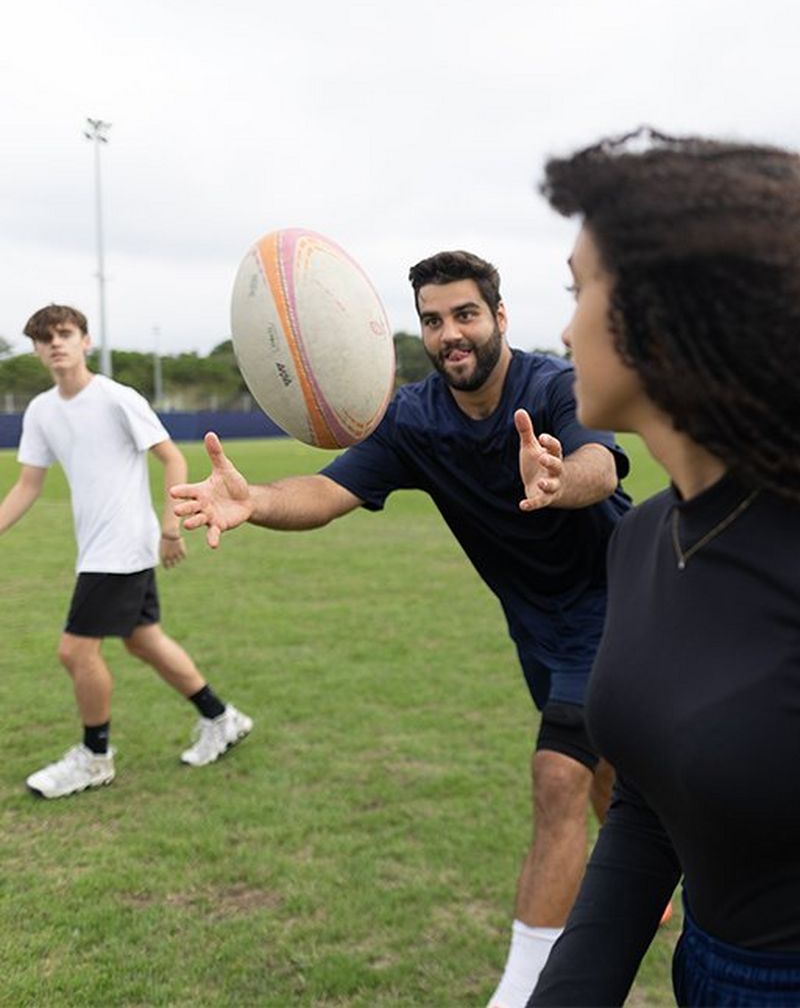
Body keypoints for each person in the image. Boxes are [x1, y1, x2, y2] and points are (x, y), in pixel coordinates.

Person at [171, 250, 631, 1007]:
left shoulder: (549, 386)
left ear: (500, 317)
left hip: (618, 606)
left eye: (466, 314)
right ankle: (648, 882)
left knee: (557, 778)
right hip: (538, 631)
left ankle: (522, 993)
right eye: (433, 319)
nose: (450, 333)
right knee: (604, 770)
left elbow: (600, 465)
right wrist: (254, 501)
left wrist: (557, 479)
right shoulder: (414, 419)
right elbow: (324, 490)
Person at [522, 130, 800, 1007]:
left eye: (580, 289)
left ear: (667, 311)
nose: (563, 327)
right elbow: (647, 805)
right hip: (707, 977)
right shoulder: (641, 538)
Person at [1, 304, 252, 800]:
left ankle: (95, 757)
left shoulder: (117, 398)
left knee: (75, 651)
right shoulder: (42, 411)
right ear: (34, 349)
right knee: (143, 640)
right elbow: (28, 484)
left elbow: (172, 456)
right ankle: (222, 718)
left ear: (85, 341)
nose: (56, 343)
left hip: (122, 546)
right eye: (44, 338)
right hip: (96, 545)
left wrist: (171, 528)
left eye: (65, 333)